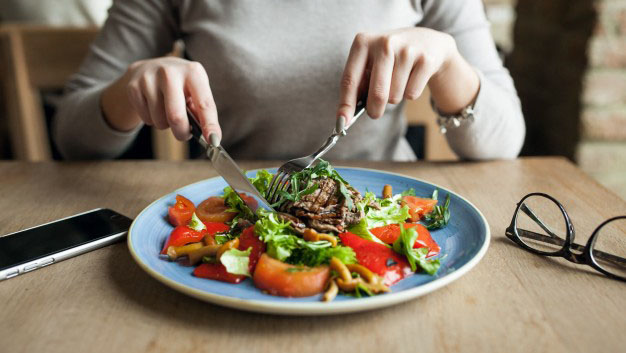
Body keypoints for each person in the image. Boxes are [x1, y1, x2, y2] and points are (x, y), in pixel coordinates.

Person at [53, 0, 525, 161]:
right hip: (231, 218)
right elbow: (73, 136)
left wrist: (448, 65)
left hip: (384, 219)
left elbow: (506, 141)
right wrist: (131, 89)